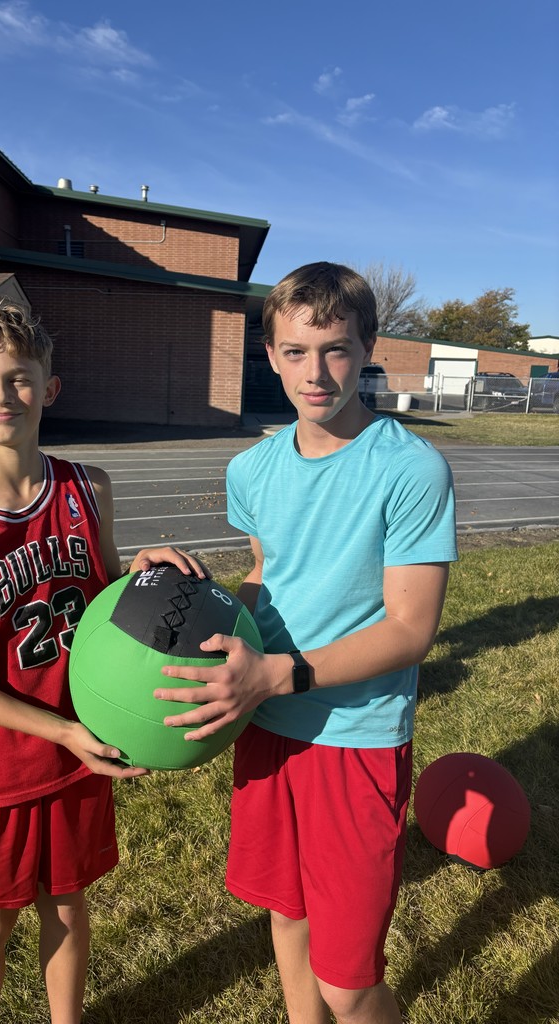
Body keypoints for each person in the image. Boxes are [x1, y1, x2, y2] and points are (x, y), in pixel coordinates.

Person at [155, 262, 458, 1024]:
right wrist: (188, 597)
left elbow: (411, 629)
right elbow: (264, 573)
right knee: (286, 918)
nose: (315, 373)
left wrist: (280, 676)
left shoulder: (411, 468)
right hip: (267, 726)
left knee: (349, 983)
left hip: (352, 738)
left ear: (367, 348)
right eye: (295, 351)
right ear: (270, 355)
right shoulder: (252, 467)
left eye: (334, 349)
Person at [0, 298, 205, 1024]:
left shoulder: (87, 487)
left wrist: (143, 572)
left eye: (18, 378)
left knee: (69, 909)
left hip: (85, 746)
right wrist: (58, 732)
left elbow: (104, 597)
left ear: (49, 388)